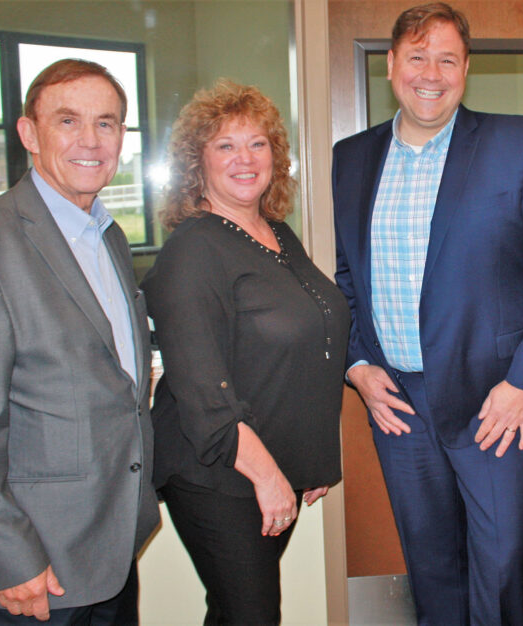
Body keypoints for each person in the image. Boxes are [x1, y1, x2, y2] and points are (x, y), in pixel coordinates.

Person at [332, 3, 523, 623]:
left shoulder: (519, 141)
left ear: (466, 69)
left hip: (493, 401)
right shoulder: (352, 157)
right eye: (417, 56)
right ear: (392, 65)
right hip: (398, 405)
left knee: (500, 564)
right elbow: (346, 276)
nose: (431, 72)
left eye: (447, 58)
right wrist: (358, 366)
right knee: (431, 565)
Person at [0, 59, 158, 623]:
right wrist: (11, 559)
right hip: (33, 565)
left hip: (110, 548)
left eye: (107, 123)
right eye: (68, 121)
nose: (90, 141)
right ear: (28, 133)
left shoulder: (108, 237)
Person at [141, 79, 349, 625]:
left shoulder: (277, 233)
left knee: (237, 613)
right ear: (196, 164)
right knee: (252, 616)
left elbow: (314, 340)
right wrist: (267, 476)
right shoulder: (193, 249)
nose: (245, 158)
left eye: (257, 143)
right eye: (225, 145)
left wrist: (313, 456)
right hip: (217, 471)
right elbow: (201, 385)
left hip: (275, 462)